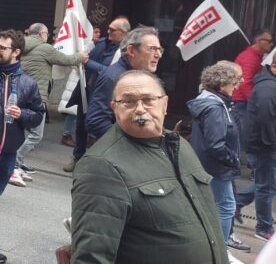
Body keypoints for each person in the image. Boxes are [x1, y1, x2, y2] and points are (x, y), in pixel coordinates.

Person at [71, 70, 228, 263]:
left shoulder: (182, 147)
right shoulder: (101, 166)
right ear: (114, 108)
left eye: (148, 99)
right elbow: (91, 257)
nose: (139, 109)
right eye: (128, 101)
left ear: (165, 104)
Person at [0, 29, 45, 262]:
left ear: (16, 52)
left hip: (9, 151)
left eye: (2, 48)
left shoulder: (27, 83)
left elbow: (38, 114)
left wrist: (22, 113)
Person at [187, 62, 250, 254]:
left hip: (209, 165)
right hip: (216, 167)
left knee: (213, 206)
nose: (238, 85)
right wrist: (233, 160)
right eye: (234, 82)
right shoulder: (215, 107)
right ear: (222, 85)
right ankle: (220, 250)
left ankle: (214, 247)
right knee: (226, 206)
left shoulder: (210, 102)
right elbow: (216, 145)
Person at [16, 23, 86, 179]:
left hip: (20, 95)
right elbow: (65, 59)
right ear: (41, 34)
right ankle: (15, 161)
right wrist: (81, 56)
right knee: (36, 134)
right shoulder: (45, 48)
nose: (48, 36)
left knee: (22, 131)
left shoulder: (21, 46)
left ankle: (16, 162)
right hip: (36, 97)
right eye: (47, 33)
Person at [63, 16, 130, 168]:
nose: (108, 32)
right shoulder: (100, 44)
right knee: (81, 126)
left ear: (124, 33)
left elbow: (111, 73)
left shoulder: (125, 52)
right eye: (109, 29)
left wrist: (89, 63)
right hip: (86, 91)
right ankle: (77, 157)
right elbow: (85, 61)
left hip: (105, 96)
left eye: (113, 30)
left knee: (99, 128)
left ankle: (96, 162)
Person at [84, 26, 163, 143]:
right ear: (131, 51)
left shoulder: (137, 75)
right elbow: (95, 121)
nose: (158, 55)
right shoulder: (113, 77)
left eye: (159, 49)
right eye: (152, 49)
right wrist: (130, 142)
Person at [237, 54, 276, 241]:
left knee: (267, 181)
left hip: (265, 143)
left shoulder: (269, 84)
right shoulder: (268, 88)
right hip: (265, 145)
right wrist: (271, 144)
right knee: (266, 185)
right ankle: (264, 227)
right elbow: (265, 120)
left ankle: (238, 202)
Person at [232, 29, 272, 151]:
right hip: (242, 101)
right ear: (258, 41)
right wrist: (254, 102)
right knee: (244, 133)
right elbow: (245, 82)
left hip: (243, 100)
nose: (272, 44)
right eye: (269, 41)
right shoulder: (250, 58)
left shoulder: (257, 56)